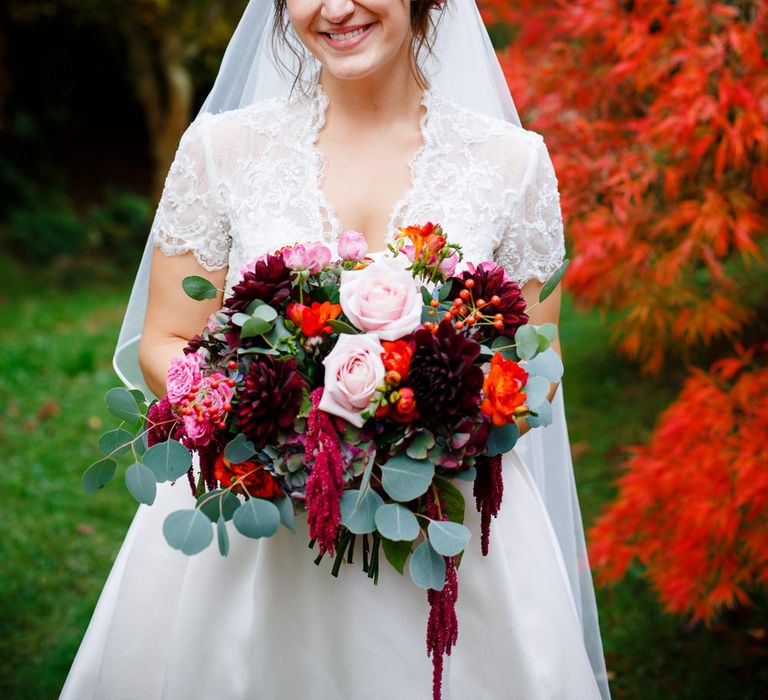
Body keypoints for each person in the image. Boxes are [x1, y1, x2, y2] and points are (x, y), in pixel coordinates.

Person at [61, 1, 611, 698]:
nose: (336, 7)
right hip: (259, 519)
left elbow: (539, 351)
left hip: (442, 516)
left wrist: (434, 428)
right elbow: (167, 337)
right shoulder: (221, 149)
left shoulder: (512, 162)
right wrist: (266, 424)